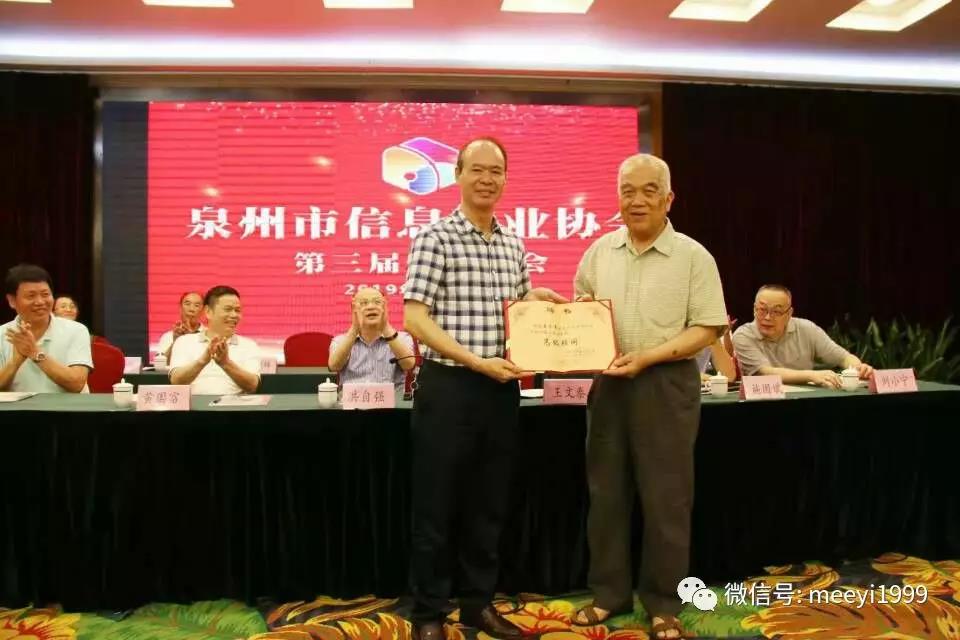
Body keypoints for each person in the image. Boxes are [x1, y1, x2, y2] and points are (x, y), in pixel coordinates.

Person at [403, 137, 567, 640]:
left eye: (496, 171)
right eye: (477, 169)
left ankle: (477, 605)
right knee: (436, 505)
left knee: (488, 505)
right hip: (449, 388)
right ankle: (428, 613)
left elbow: (515, 314)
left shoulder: (513, 243)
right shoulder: (435, 237)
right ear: (457, 174)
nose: (487, 179)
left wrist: (534, 300)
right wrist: (475, 361)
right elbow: (414, 319)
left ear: (506, 179)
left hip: (500, 390)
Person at [571, 154, 728, 640]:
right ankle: (609, 594)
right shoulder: (599, 252)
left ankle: (663, 603)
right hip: (609, 383)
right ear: (618, 198)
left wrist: (649, 357)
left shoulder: (694, 257)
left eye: (648, 190)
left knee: (667, 498)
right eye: (627, 191)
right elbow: (583, 308)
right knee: (606, 494)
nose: (636, 200)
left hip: (667, 384)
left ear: (668, 198)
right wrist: (574, 317)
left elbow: (707, 327)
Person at [732, 284, 873, 388]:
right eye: (762, 310)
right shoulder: (743, 335)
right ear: (754, 309)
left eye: (776, 312)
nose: (767, 317)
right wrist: (812, 375)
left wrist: (859, 368)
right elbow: (764, 372)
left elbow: (843, 357)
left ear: (789, 313)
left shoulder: (806, 328)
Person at [1, 264, 92, 393]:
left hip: (67, 406)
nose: (40, 302)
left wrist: (35, 353)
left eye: (45, 294)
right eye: (31, 296)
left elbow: (77, 384)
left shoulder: (76, 330)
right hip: (20, 406)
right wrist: (14, 363)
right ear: (12, 301)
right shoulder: (2, 334)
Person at [169, 285, 260, 395]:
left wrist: (226, 363)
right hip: (193, 404)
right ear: (208, 312)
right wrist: (202, 361)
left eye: (237, 310)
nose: (234, 315)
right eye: (228, 309)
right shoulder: (184, 342)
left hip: (234, 404)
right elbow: (176, 381)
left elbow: (252, 386)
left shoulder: (249, 346)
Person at [328, 287, 415, 390]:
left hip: (391, 399)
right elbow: (334, 366)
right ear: (353, 309)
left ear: (385, 308)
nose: (370, 307)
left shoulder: (401, 338)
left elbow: (408, 365)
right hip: (352, 398)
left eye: (377, 302)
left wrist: (385, 327)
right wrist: (354, 328)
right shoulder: (340, 340)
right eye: (363, 303)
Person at [157, 291, 204, 362]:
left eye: (196, 305)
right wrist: (176, 341)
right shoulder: (168, 337)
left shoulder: (208, 335)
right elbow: (162, 364)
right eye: (187, 304)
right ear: (180, 308)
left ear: (203, 310)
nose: (191, 309)